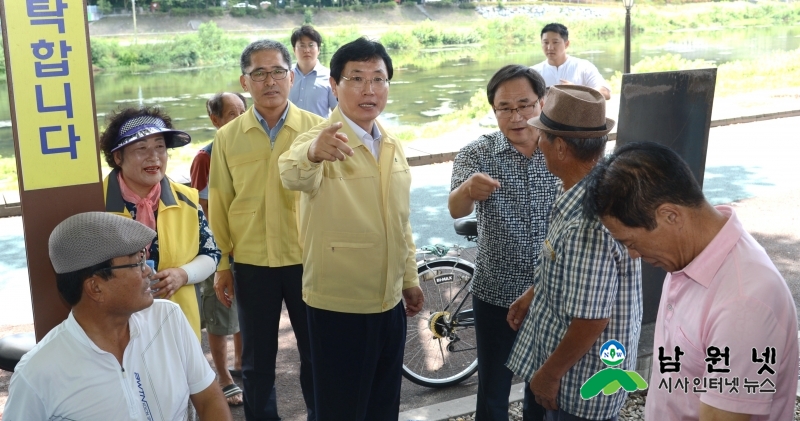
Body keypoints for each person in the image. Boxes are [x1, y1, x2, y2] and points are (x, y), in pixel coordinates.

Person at [583, 142, 799, 421]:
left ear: (670, 215)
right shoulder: (690, 255)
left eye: (631, 242)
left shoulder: (744, 302)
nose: (633, 254)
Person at [278, 37, 424, 421]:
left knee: (382, 407)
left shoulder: (391, 143)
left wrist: (409, 278)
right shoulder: (318, 139)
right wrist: (312, 153)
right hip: (338, 307)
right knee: (339, 411)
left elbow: (400, 220)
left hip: (389, 303)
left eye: (378, 79)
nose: (369, 90)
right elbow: (290, 171)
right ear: (334, 85)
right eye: (356, 78)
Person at [2, 212, 232, 421]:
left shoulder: (167, 318)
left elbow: (209, 398)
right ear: (95, 288)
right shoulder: (37, 373)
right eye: (137, 262)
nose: (148, 271)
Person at [505, 85, 642, 421]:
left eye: (543, 136)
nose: (538, 143)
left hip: (578, 383)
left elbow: (591, 319)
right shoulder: (580, 186)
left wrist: (550, 375)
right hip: (567, 367)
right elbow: (575, 275)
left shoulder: (586, 223)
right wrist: (534, 293)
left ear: (561, 147)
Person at [209, 39, 324, 421]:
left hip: (306, 261)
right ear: (245, 82)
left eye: (277, 71)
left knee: (316, 354)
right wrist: (223, 263)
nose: (269, 81)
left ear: (291, 77)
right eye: (259, 73)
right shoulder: (227, 138)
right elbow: (221, 205)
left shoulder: (316, 130)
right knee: (256, 362)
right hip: (252, 262)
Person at [448, 64, 556, 421]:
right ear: (493, 110)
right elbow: (455, 207)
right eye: (504, 108)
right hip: (496, 292)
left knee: (542, 388)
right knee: (493, 388)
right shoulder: (477, 154)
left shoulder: (561, 150)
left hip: (552, 293)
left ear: (542, 102)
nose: (516, 116)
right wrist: (467, 190)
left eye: (525, 104)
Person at [99, 106, 221, 342]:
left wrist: (182, 275)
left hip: (177, 326)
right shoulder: (96, 202)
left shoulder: (187, 200)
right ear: (117, 157)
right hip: (116, 328)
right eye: (141, 148)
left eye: (160, 147)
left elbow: (211, 253)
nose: (153, 156)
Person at [190, 92, 247, 406]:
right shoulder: (206, 156)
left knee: (245, 311)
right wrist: (221, 249)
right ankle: (223, 376)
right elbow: (204, 207)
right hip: (221, 249)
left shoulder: (251, 148)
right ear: (215, 120)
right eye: (231, 114)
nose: (238, 118)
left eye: (242, 111)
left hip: (248, 246)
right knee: (220, 312)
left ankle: (242, 363)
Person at [532, 23, 611, 100]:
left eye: (555, 42)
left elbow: (605, 93)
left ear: (566, 44)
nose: (550, 47)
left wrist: (578, 91)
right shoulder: (533, 73)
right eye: (545, 42)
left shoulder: (583, 67)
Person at [289, 25, 338, 117]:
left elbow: (336, 111)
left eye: (311, 45)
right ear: (294, 50)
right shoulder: (285, 75)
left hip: (319, 131)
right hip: (289, 130)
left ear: (319, 49)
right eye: (302, 46)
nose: (307, 50)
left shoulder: (330, 77)